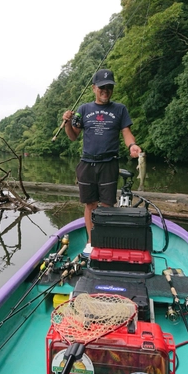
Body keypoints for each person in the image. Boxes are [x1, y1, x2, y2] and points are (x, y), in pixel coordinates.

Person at [62, 69, 141, 254]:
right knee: (90, 205)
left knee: (107, 205)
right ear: (94, 88)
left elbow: (126, 132)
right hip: (87, 163)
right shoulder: (83, 109)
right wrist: (67, 123)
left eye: (109, 87)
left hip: (109, 163)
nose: (105, 90)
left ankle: (104, 240)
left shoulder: (120, 109)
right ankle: (91, 242)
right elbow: (73, 136)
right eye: (102, 87)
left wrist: (132, 146)